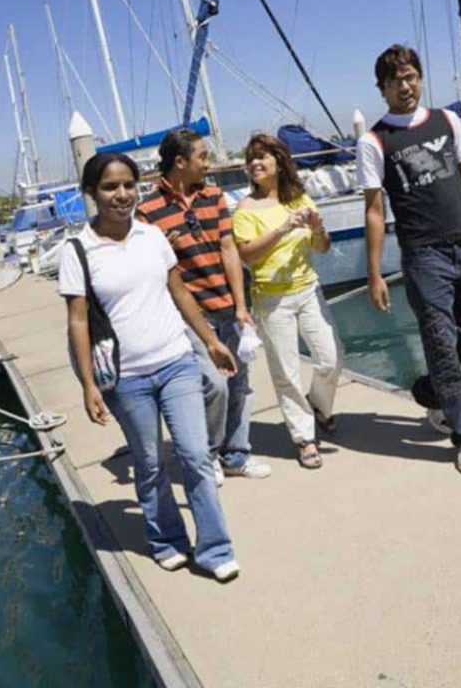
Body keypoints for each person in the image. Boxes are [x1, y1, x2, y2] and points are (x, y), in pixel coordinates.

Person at [59, 152, 240, 582]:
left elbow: (180, 293)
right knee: (151, 461)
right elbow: (78, 321)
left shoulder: (153, 235)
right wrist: (88, 385)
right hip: (127, 378)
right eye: (110, 187)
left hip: (176, 361)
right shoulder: (78, 250)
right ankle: (167, 541)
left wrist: (211, 341)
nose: (122, 194)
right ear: (91, 192)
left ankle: (215, 548)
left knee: (195, 455)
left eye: (128, 185)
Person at [358, 44, 461, 476]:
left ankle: (433, 393)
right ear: (382, 88)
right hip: (423, 256)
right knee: (440, 344)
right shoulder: (374, 141)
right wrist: (375, 273)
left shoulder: (448, 122)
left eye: (411, 77)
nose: (405, 86)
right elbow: (374, 211)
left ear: (419, 78)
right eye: (396, 81)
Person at [136, 129, 271, 483]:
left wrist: (240, 305)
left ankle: (236, 454)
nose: (208, 163)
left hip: (227, 304)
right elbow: (145, 268)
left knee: (240, 384)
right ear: (180, 162)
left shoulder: (214, 196)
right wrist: (161, 248)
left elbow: (229, 250)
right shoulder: (147, 212)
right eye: (203, 157)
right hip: (189, 315)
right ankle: (208, 454)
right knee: (214, 384)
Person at [232, 133, 344, 470]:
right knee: (286, 372)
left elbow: (321, 247)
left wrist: (319, 229)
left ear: (279, 162)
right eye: (251, 159)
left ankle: (319, 405)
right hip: (272, 299)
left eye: (262, 157)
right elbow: (247, 255)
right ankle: (304, 437)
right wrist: (282, 229)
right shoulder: (245, 209)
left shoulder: (300, 199)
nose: (255, 163)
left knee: (331, 357)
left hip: (308, 290)